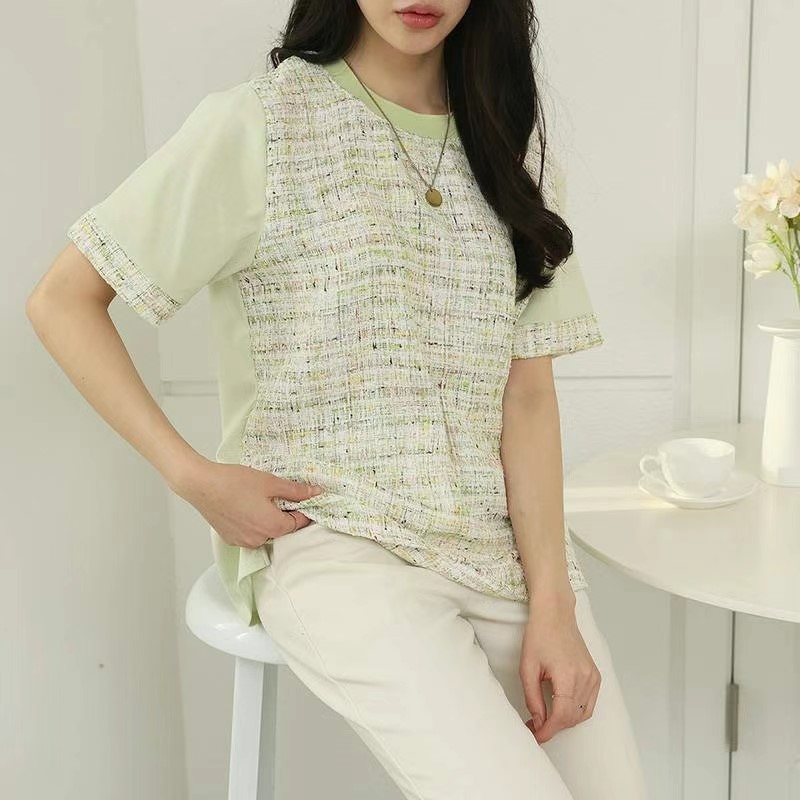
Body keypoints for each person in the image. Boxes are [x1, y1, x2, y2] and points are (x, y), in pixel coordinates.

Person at [27, 1, 648, 797]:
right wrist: (192, 477)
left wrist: (554, 603)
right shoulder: (262, 123)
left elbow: (526, 397)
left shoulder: (510, 147)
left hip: (500, 551)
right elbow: (63, 300)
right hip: (336, 543)